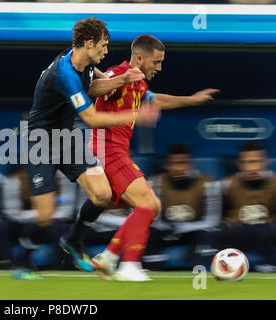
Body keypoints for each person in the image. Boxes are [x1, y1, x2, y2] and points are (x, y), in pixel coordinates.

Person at [23, 17, 160, 276]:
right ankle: (21, 259)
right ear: (89, 43)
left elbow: (95, 85)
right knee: (44, 216)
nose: (106, 52)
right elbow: (92, 118)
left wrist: (122, 80)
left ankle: (73, 240)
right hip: (39, 141)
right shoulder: (65, 74)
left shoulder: (82, 60)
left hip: (66, 138)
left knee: (102, 194)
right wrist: (135, 117)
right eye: (104, 46)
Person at [89, 34, 218, 281]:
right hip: (105, 150)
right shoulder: (118, 74)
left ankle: (109, 256)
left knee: (153, 207)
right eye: (156, 62)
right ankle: (129, 266)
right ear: (139, 58)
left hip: (118, 151)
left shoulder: (140, 85)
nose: (159, 68)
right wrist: (119, 80)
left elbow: (155, 99)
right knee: (146, 203)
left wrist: (191, 100)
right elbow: (95, 88)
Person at [141, 144, 222, 270]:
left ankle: (196, 272)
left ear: (191, 164)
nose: (179, 168)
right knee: (148, 232)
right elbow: (153, 217)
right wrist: (166, 226)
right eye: (174, 163)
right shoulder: (155, 182)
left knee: (210, 234)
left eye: (183, 163)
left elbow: (213, 221)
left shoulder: (208, 183)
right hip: (167, 229)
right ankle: (153, 271)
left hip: (195, 229)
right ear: (167, 165)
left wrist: (185, 227)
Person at [204, 142, 276, 272]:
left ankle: (268, 267)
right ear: (239, 164)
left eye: (255, 162)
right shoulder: (226, 184)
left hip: (267, 232)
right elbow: (216, 217)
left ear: (266, 162)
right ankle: (223, 269)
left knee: (268, 232)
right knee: (221, 231)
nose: (251, 168)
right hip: (240, 231)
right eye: (246, 162)